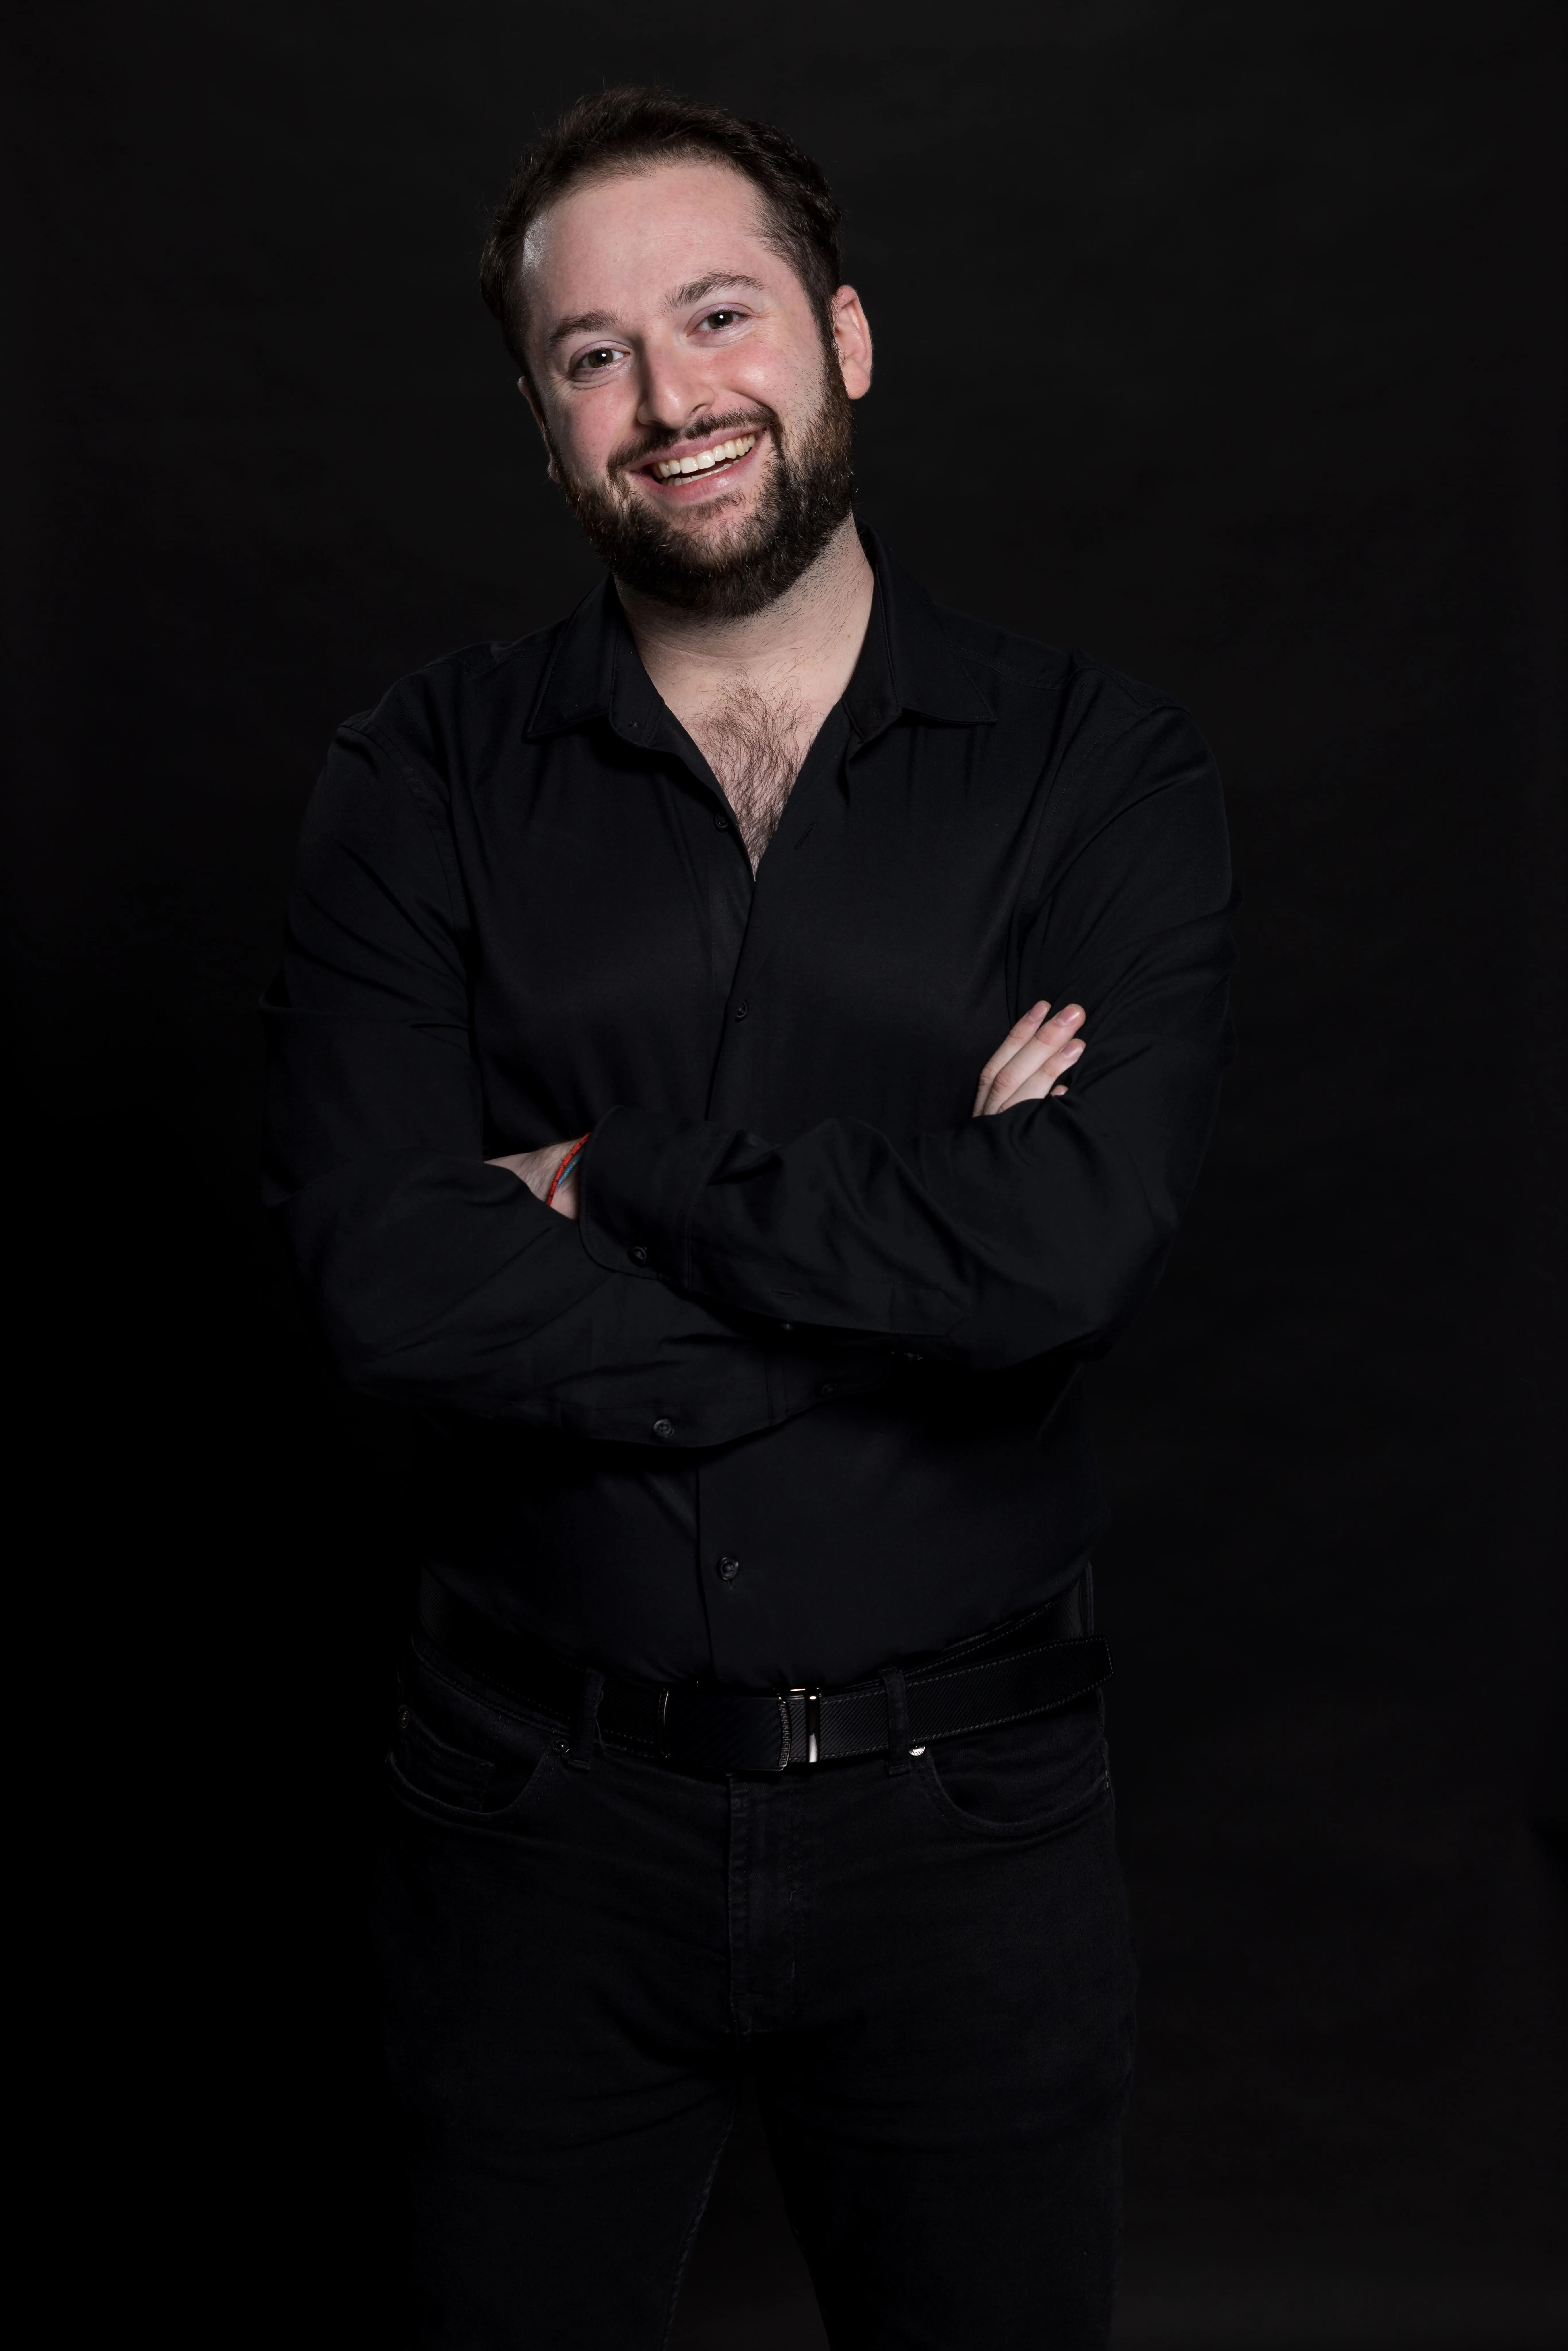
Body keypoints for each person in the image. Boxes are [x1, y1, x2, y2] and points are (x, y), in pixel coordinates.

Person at [263, 85, 1235, 2351]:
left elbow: (1068, 1251)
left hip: (967, 1824)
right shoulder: (415, 781)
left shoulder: (1100, 770)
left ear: (843, 339)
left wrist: (612, 1180)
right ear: (541, 419)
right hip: (529, 1818)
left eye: (717, 316)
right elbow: (386, 1281)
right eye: (592, 353)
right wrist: (924, 1276)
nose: (669, 396)